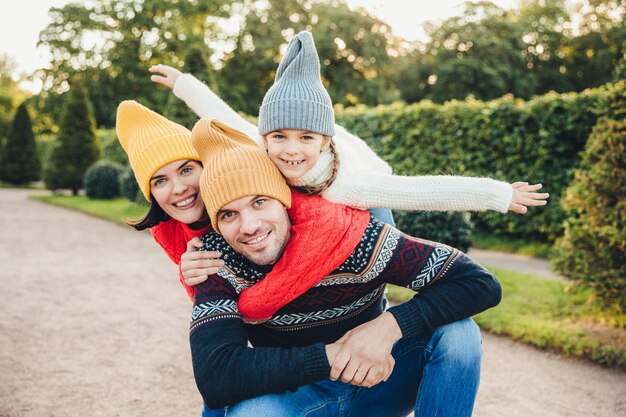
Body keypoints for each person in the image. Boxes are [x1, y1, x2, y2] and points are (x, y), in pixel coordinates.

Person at [188, 117, 502, 417]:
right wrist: (334, 355)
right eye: (229, 214)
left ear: (283, 200)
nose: (250, 226)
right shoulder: (215, 258)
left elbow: (479, 283)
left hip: (381, 382)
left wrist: (387, 327)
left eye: (259, 202)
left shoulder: (349, 237)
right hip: (296, 398)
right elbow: (217, 375)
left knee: (458, 334)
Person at [149, 31, 548, 220]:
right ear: (266, 136)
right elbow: (226, 118)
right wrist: (185, 84)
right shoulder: (259, 146)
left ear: (323, 141)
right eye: (279, 137)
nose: (290, 149)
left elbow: (420, 189)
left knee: (376, 218)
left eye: (305, 138)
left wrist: (495, 193)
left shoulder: (348, 184)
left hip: (370, 175)